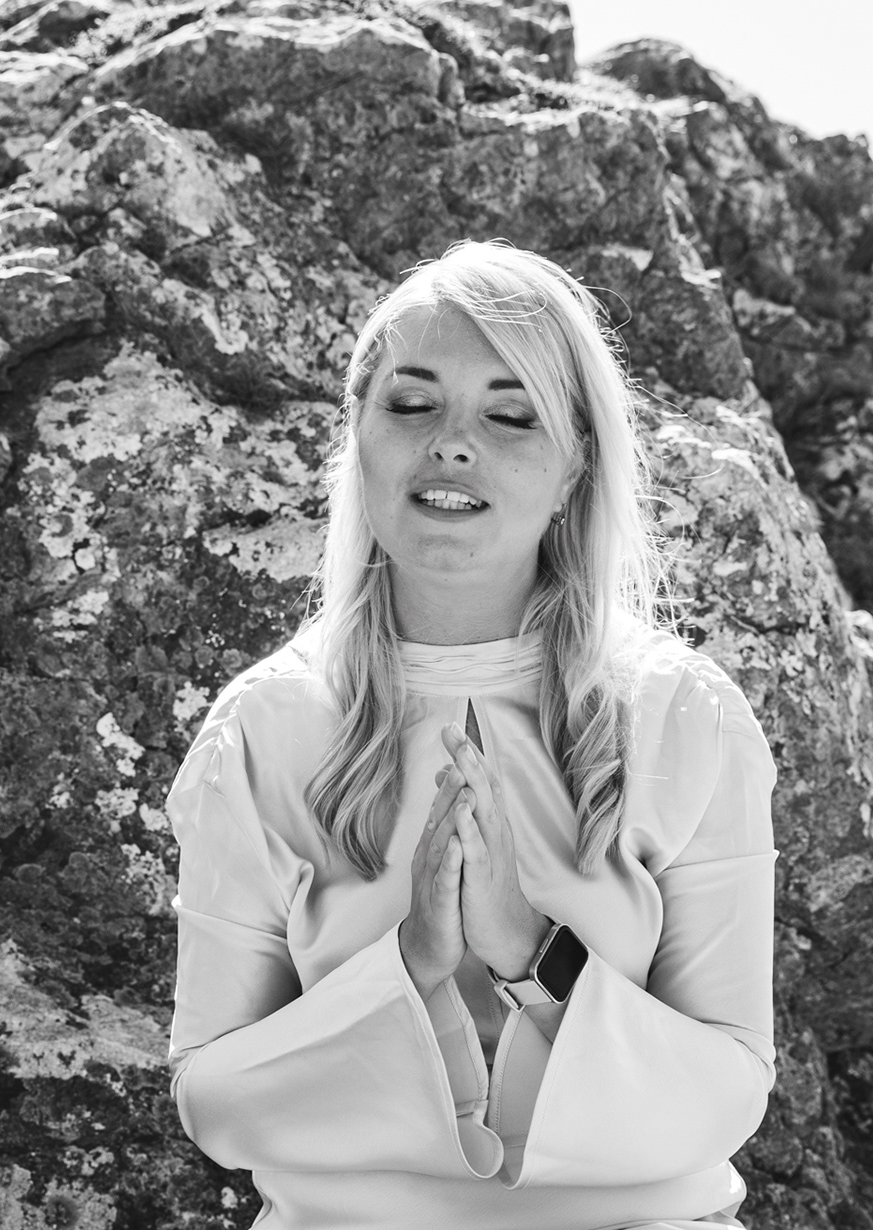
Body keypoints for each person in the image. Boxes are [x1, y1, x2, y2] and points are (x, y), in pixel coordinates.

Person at [165, 240, 778, 1228]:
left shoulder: (680, 714)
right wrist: (406, 968)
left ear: (576, 466)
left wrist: (534, 958)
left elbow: (732, 1089)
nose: (453, 443)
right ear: (359, 434)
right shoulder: (266, 726)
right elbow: (211, 1098)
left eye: (511, 415)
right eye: (412, 404)